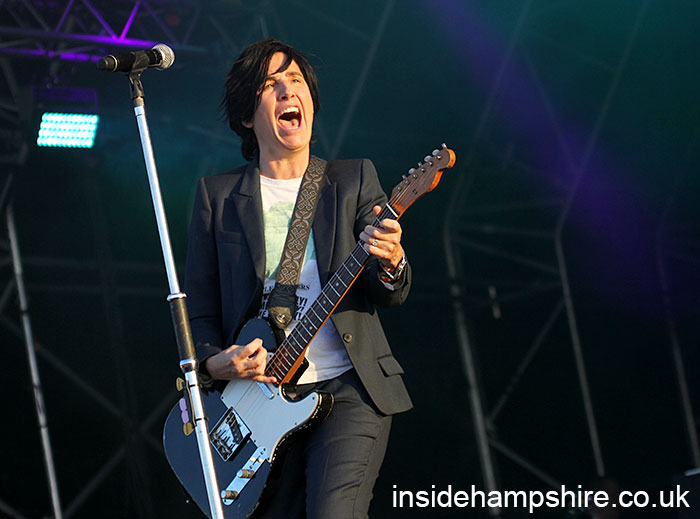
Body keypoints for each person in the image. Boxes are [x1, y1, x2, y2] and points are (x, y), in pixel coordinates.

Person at [184, 38, 412, 519]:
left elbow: (386, 291)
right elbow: (199, 312)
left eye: (296, 80)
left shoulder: (351, 180)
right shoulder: (217, 197)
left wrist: (391, 260)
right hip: (256, 402)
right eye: (271, 85)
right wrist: (214, 363)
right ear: (247, 116)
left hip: (347, 387)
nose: (289, 91)